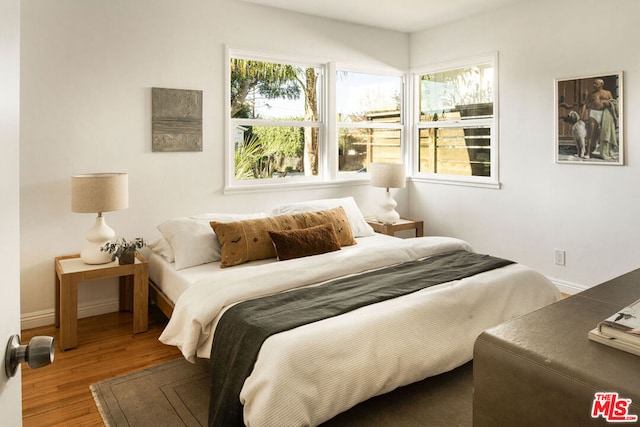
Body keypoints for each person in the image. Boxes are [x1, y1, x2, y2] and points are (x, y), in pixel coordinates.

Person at [581, 78, 619, 160]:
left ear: (601, 84)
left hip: (604, 114)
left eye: (596, 84)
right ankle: (588, 153)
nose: (594, 85)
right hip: (593, 113)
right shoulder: (591, 94)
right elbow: (585, 104)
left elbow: (614, 103)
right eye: (593, 84)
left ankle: (607, 152)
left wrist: (608, 103)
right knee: (591, 133)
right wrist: (582, 114)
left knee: (605, 133)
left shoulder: (607, 93)